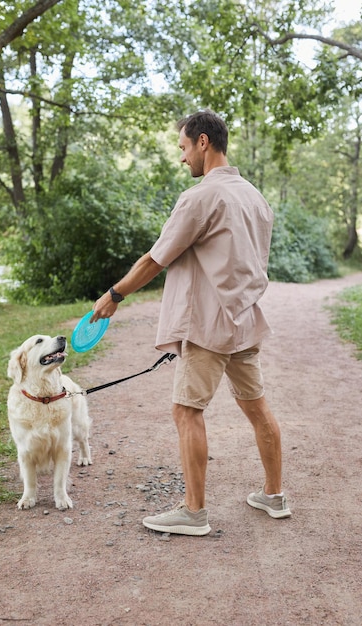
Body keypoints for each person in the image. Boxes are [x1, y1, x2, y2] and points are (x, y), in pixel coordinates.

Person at [91, 109, 291, 536]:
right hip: (243, 321)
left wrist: (114, 296)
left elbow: (154, 259)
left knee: (186, 411)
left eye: (183, 147)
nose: (182, 157)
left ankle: (194, 511)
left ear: (203, 142)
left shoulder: (200, 197)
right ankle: (273, 496)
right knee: (256, 407)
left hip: (208, 324)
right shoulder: (256, 197)